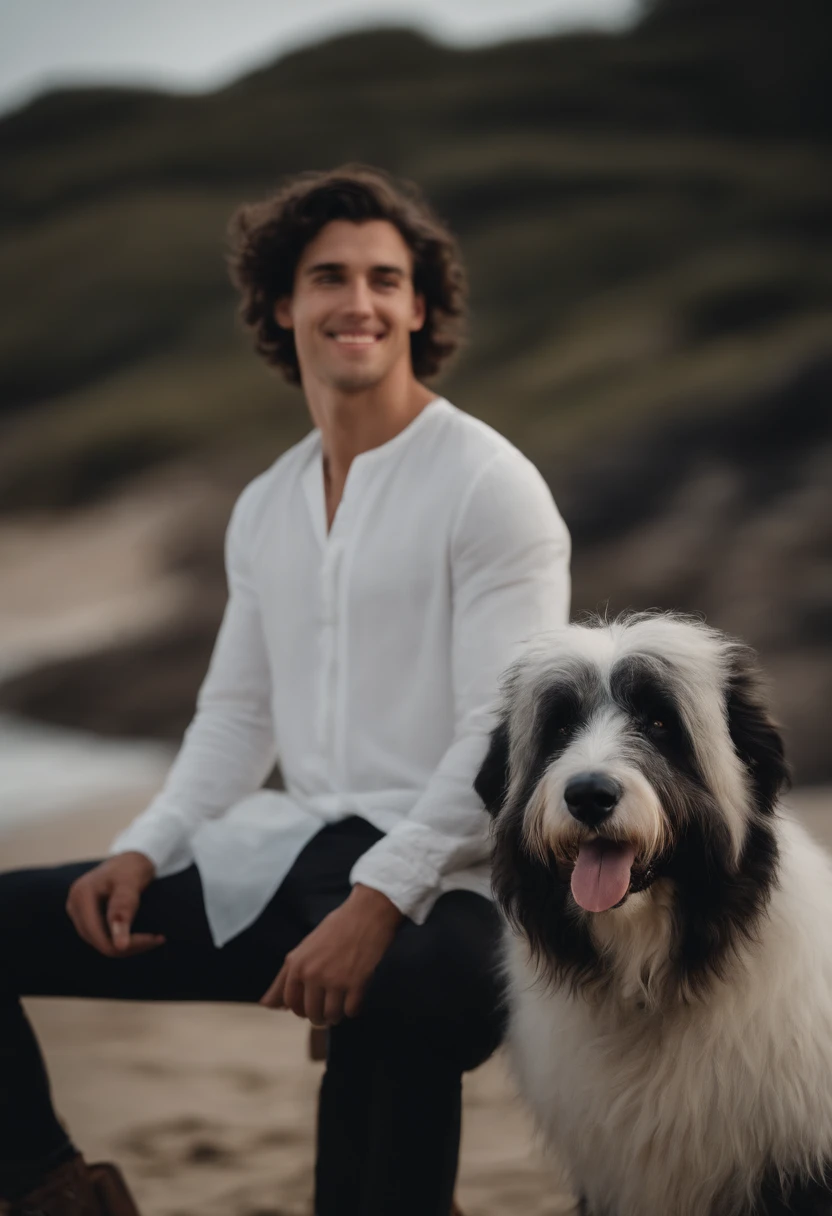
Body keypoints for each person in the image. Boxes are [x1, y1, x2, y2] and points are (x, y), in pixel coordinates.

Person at [0, 165, 570, 1216]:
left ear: (420, 307)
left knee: (407, 989)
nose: (358, 301)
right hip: (291, 858)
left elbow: (506, 732)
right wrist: (146, 845)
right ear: (279, 302)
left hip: (454, 881)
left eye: (385, 279)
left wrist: (376, 900)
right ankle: (53, 1189)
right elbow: (236, 715)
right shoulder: (266, 504)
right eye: (328, 277)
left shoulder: (486, 483)